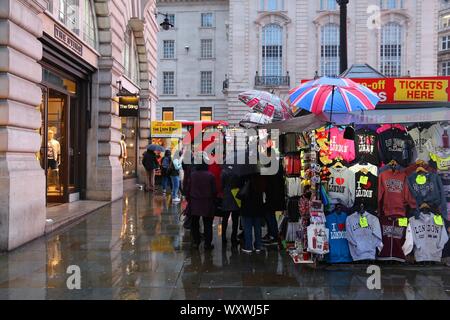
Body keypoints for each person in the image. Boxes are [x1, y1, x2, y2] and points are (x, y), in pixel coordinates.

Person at [185, 158, 217, 250]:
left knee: (195, 224)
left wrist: (189, 198)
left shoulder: (193, 175)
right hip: (207, 203)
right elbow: (214, 191)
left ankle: (196, 242)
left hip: (195, 203)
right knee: (208, 224)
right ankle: (207, 244)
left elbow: (188, 188)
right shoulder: (210, 175)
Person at [240, 172, 266, 254]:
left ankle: (248, 247)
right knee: (257, 227)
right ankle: (258, 245)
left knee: (247, 227)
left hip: (247, 206)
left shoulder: (244, 177)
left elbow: (240, 190)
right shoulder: (260, 177)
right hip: (258, 206)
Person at [221, 165, 241, 247]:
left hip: (226, 196)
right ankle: (234, 237)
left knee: (225, 219)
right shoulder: (238, 172)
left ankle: (223, 237)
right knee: (235, 219)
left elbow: (222, 185)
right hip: (236, 196)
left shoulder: (224, 172)